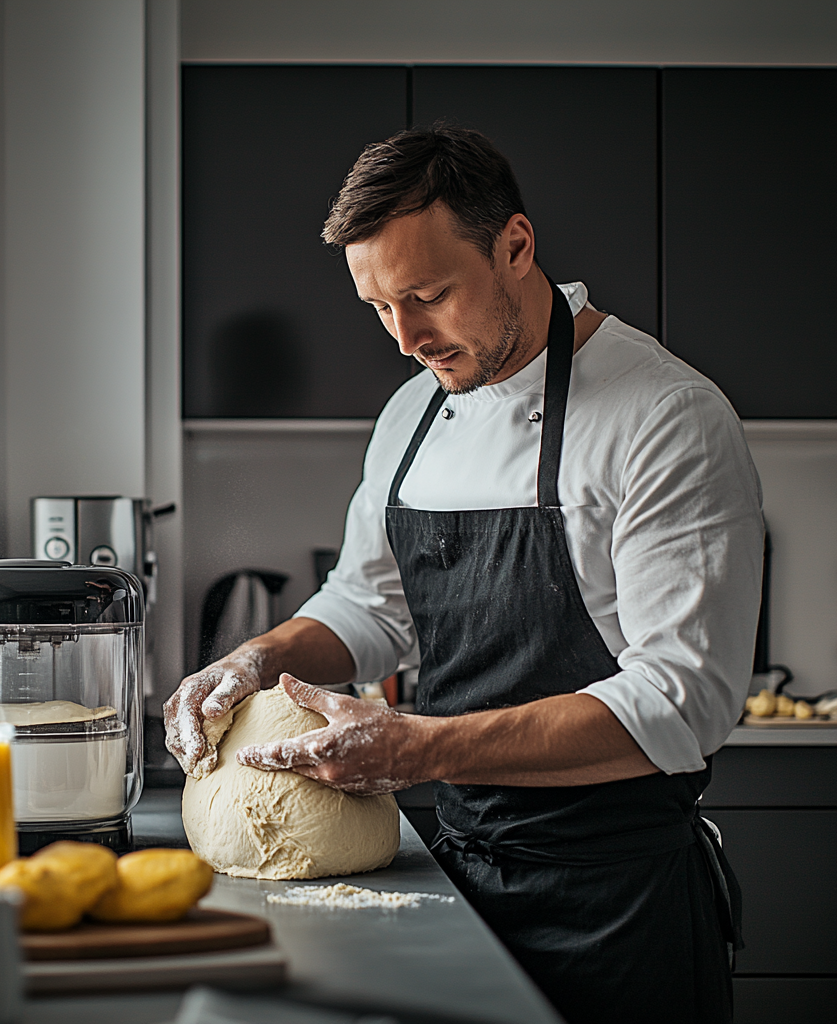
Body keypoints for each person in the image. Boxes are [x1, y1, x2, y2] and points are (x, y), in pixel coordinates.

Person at [164, 125, 763, 1024]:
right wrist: (253, 659)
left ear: (516, 247)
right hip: (453, 877)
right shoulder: (412, 414)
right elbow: (369, 605)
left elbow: (684, 702)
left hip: (615, 907)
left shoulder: (666, 416)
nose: (405, 339)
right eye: (377, 306)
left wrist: (421, 746)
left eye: (429, 295)